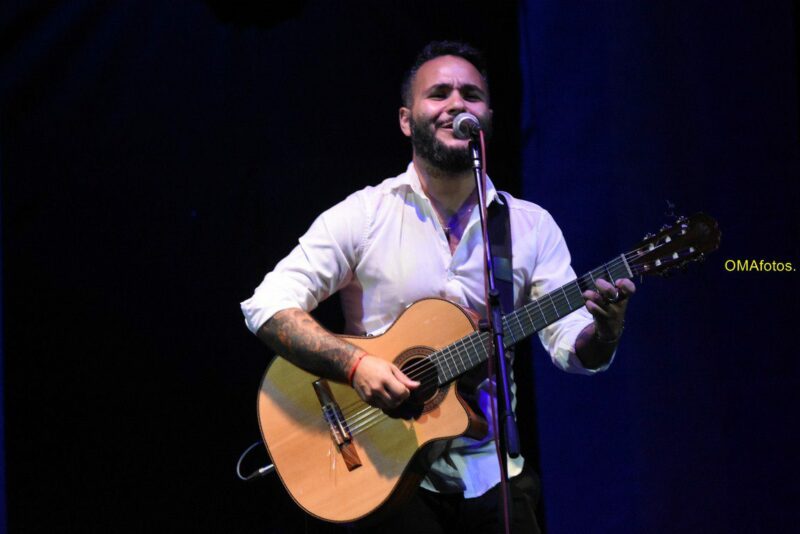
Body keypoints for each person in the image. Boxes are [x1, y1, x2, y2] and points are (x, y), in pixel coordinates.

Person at [241, 41, 635, 534]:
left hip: (495, 477)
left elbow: (572, 348)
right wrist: (355, 365)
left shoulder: (530, 227)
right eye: (439, 93)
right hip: (388, 473)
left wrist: (605, 334)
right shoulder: (365, 216)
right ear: (406, 120)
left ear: (487, 118)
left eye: (471, 95)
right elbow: (266, 304)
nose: (456, 104)